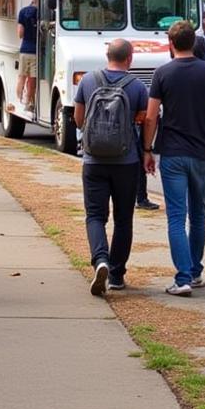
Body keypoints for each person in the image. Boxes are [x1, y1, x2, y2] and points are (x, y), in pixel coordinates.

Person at [142, 20, 205, 296]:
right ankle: (196, 270)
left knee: (176, 217)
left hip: (173, 151)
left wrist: (147, 148)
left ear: (171, 44)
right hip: (202, 150)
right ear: (194, 43)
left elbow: (152, 115)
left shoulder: (162, 74)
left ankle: (182, 278)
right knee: (198, 213)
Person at [73, 38, 149, 295]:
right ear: (130, 58)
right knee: (123, 219)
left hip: (93, 161)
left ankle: (100, 259)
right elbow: (144, 120)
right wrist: (147, 150)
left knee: (95, 216)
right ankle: (116, 275)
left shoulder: (87, 80)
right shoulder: (137, 86)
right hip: (126, 162)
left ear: (108, 56)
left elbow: (78, 119)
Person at [16, 0, 38, 110]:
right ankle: (29, 103)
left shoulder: (22, 12)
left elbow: (20, 33)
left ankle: (18, 100)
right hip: (36, 51)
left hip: (24, 49)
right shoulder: (42, 14)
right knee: (32, 79)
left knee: (22, 76)